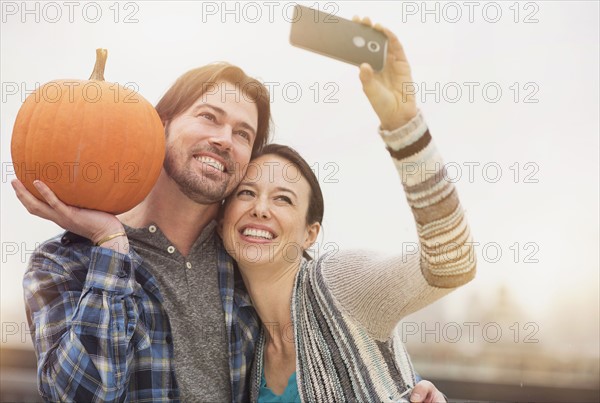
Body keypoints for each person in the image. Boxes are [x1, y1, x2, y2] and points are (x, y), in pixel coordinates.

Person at [11, 20, 447, 403]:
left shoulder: (248, 255)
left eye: (242, 133)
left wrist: (405, 385)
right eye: (208, 117)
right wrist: (110, 244)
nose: (224, 139)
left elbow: (329, 322)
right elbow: (82, 395)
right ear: (159, 124)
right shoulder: (65, 262)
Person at [218, 19, 476, 402]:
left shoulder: (337, 282)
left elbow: (452, 265)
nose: (259, 208)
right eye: (246, 192)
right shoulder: (245, 342)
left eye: (283, 198)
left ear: (311, 233)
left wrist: (404, 127)